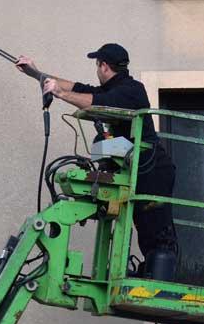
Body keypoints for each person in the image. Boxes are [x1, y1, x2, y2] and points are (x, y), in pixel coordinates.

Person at [16, 44, 177, 278]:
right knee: (145, 228)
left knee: (156, 232)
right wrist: (35, 73)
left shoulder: (131, 90)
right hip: (137, 168)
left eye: (97, 65)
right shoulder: (113, 88)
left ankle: (159, 280)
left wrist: (60, 94)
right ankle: (150, 274)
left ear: (103, 66)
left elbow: (96, 103)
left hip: (152, 170)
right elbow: (76, 87)